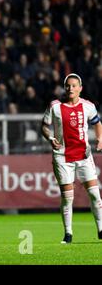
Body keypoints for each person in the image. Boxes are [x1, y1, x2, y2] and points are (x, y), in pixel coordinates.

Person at [41, 73, 102, 244]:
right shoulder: (55, 106)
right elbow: (44, 126)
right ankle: (68, 234)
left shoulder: (88, 106)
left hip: (84, 155)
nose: (70, 88)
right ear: (64, 87)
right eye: (68, 85)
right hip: (62, 156)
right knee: (68, 197)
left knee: (95, 195)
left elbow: (97, 123)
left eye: (74, 85)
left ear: (80, 88)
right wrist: (50, 138)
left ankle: (101, 229)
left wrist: (100, 138)